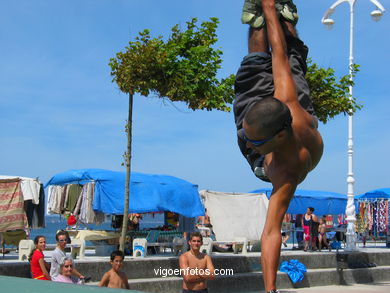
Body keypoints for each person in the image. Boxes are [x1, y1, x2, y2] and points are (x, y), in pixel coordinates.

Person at [234, 1, 324, 292]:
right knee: (291, 57)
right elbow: (280, 50)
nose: (248, 142)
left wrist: (270, 289)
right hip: (294, 116)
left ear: (276, 139)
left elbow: (272, 234)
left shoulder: (285, 176)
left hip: (278, 160)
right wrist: (270, 9)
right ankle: (279, 13)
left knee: (255, 68)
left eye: (254, 142)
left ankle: (259, 19)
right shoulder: (287, 102)